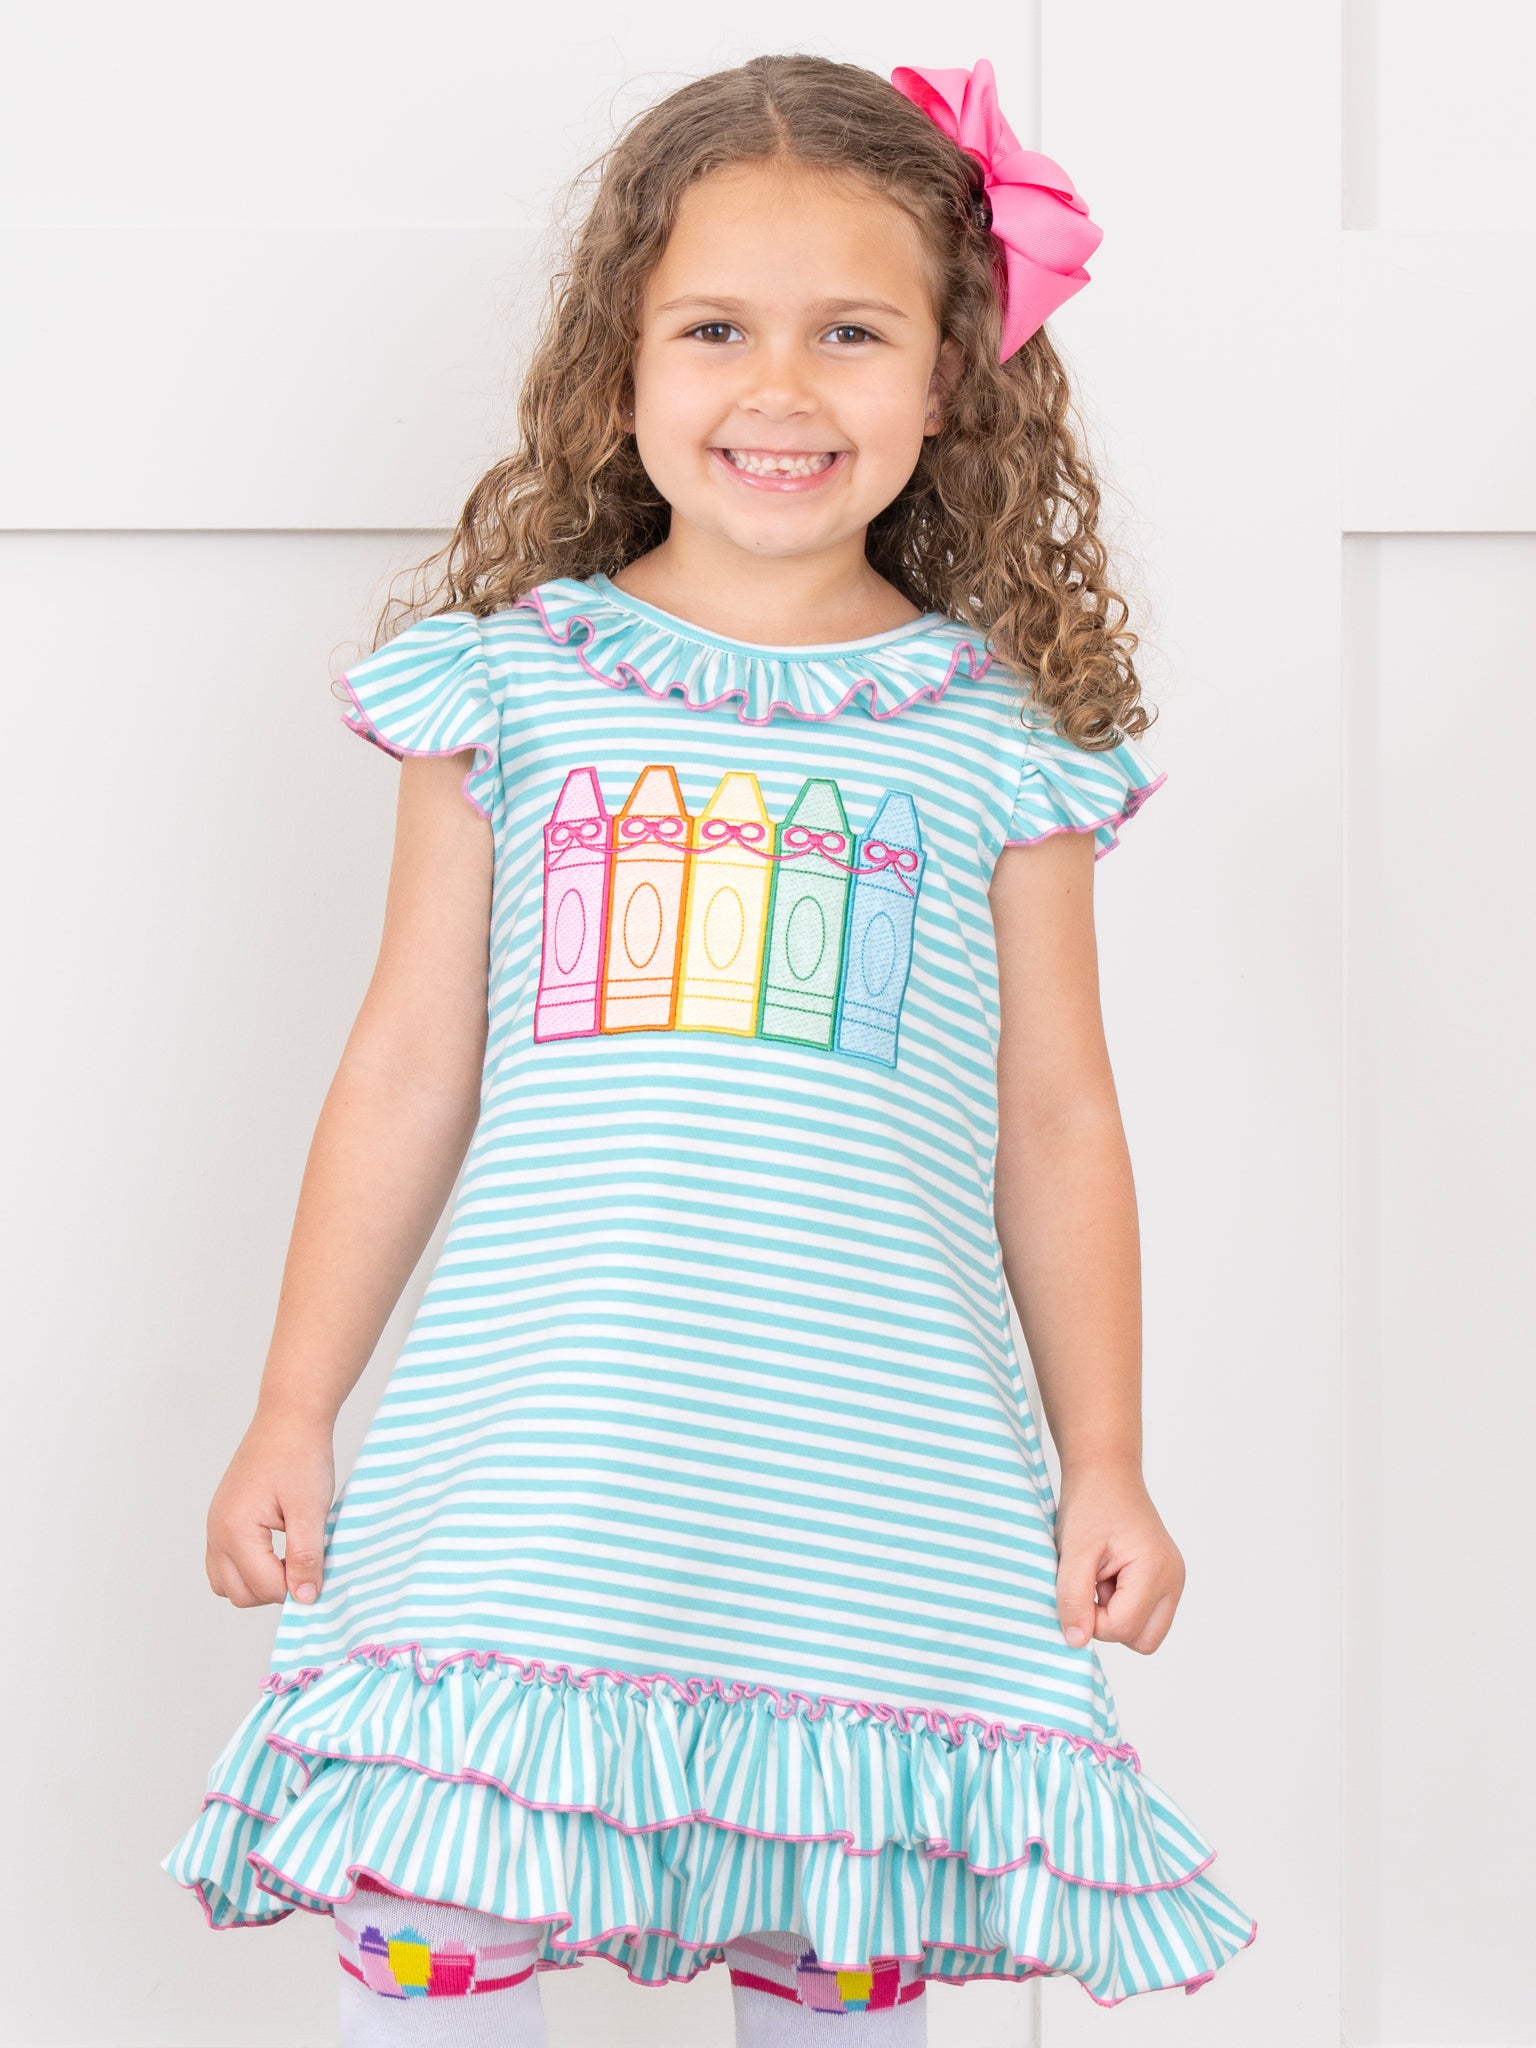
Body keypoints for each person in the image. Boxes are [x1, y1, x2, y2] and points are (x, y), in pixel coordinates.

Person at [161, 50, 1257, 2041]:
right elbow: (406, 1064)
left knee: (839, 1945)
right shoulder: (509, 689)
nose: (782, 388)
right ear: (621, 368)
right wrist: (292, 1406)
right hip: (538, 1460)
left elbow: (1057, 1117)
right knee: (445, 1918)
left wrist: (1107, 1457)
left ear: (952, 376)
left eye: (852, 331)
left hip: (877, 1486)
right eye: (718, 329)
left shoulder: (999, 737)